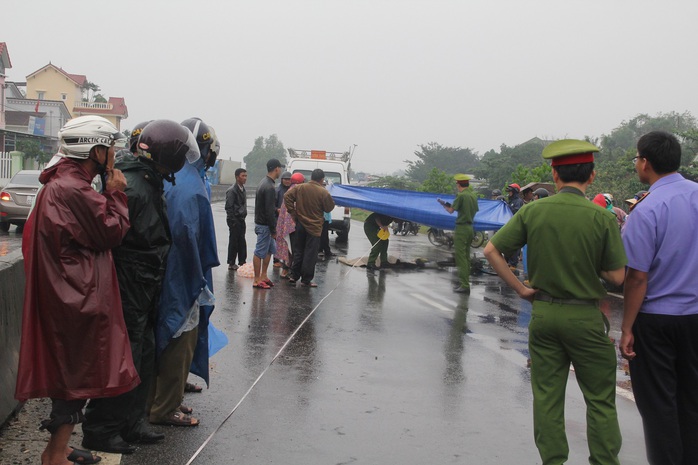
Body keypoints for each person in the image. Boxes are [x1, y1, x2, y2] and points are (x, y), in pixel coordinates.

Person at [483, 139, 626, 465]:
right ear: (591, 176)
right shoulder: (601, 218)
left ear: (554, 174)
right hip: (585, 319)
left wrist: (520, 289)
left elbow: (491, 250)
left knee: (547, 399)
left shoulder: (533, 210)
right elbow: (618, 277)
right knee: (600, 400)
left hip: (544, 314)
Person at [15, 115, 139, 465]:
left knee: (70, 372)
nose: (113, 154)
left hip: (66, 289)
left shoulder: (62, 183)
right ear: (96, 150)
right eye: (109, 147)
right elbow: (111, 232)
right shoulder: (73, 189)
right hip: (76, 294)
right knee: (76, 375)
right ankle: (54, 454)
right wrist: (116, 192)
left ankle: (61, 447)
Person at [82, 119, 194, 453]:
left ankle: (131, 423)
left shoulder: (149, 180)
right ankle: (101, 429)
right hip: (127, 284)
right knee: (120, 358)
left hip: (144, 285)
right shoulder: (132, 184)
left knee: (141, 357)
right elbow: (112, 236)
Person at [620, 131, 698, 465]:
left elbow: (637, 277)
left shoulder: (647, 209)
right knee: (692, 400)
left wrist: (626, 328)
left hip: (656, 322)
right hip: (695, 319)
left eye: (637, 158)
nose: (637, 164)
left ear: (646, 163)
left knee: (659, 406)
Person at [149, 118, 219, 427]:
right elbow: (187, 239)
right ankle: (164, 408)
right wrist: (196, 281)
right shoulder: (189, 187)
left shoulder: (174, 178)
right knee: (179, 340)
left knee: (169, 339)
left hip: (167, 274)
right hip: (181, 276)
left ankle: (167, 398)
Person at [284, 168, 336, 287]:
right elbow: (328, 208)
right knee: (310, 254)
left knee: (298, 251)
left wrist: (293, 212)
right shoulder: (323, 192)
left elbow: (287, 196)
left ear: (311, 177)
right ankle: (306, 279)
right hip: (315, 227)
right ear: (322, 179)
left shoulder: (300, 187)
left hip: (300, 224)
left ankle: (293, 276)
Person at [438, 174, 478, 293]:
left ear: (458, 184)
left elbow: (451, 211)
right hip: (470, 227)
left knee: (461, 258)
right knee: (466, 257)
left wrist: (443, 205)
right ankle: (465, 284)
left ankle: (464, 285)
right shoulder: (473, 196)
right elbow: (474, 210)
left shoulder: (461, 196)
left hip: (461, 228)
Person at [253, 158, 284, 288]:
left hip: (264, 223)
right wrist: (273, 230)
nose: (281, 171)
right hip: (265, 225)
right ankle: (256, 279)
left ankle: (264, 275)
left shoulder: (263, 182)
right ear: (276, 168)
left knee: (270, 249)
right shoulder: (270, 187)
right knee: (260, 252)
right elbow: (269, 210)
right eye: (280, 168)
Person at [276, 172, 305, 277]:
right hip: (294, 226)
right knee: (294, 249)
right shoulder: (298, 191)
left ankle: (285, 269)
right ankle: (291, 270)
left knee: (287, 247)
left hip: (286, 226)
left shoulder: (289, 191)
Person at [225, 168, 248, 270]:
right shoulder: (232, 191)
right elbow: (229, 207)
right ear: (237, 177)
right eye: (243, 176)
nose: (245, 178)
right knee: (234, 241)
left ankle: (242, 261)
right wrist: (232, 221)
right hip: (235, 219)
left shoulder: (243, 189)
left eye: (245, 176)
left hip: (241, 219)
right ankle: (231, 262)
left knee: (241, 241)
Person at [505, 183, 524, 268]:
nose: (509, 193)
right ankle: (507, 262)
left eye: (510, 191)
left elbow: (517, 212)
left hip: (516, 227)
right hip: (508, 226)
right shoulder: (510, 201)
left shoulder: (518, 201)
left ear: (514, 192)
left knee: (514, 247)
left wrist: (508, 207)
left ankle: (513, 263)